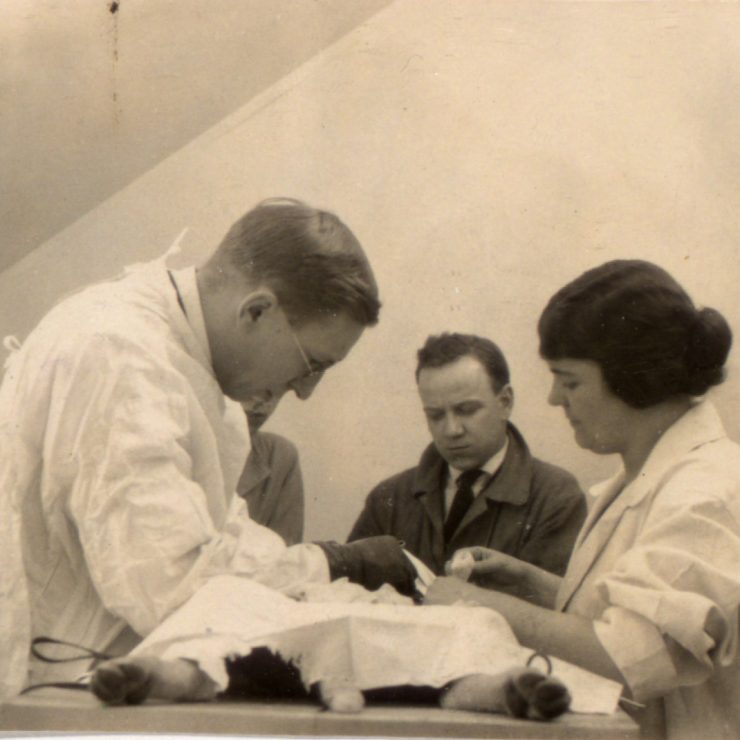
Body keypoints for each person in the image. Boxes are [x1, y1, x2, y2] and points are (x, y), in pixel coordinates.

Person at [0, 197, 416, 690]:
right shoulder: (119, 355)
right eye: (313, 365)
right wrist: (333, 571)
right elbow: (169, 584)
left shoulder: (186, 363)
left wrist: (330, 568)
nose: (306, 391)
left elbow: (220, 536)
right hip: (47, 688)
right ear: (256, 310)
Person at [426, 260, 740, 740]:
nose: (554, 398)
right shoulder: (649, 475)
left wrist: (479, 603)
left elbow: (633, 654)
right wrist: (535, 586)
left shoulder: (705, 492)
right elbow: (645, 615)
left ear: (635, 378)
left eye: (569, 380)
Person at [348, 333, 587, 576]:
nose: (452, 430)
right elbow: (344, 592)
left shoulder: (556, 498)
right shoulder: (388, 499)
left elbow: (554, 598)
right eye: (436, 415)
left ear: (505, 402)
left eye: (467, 410)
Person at [239, 392, 304, 545]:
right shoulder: (184, 440)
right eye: (255, 383)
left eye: (278, 391)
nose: (264, 403)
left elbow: (285, 552)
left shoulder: (279, 456)